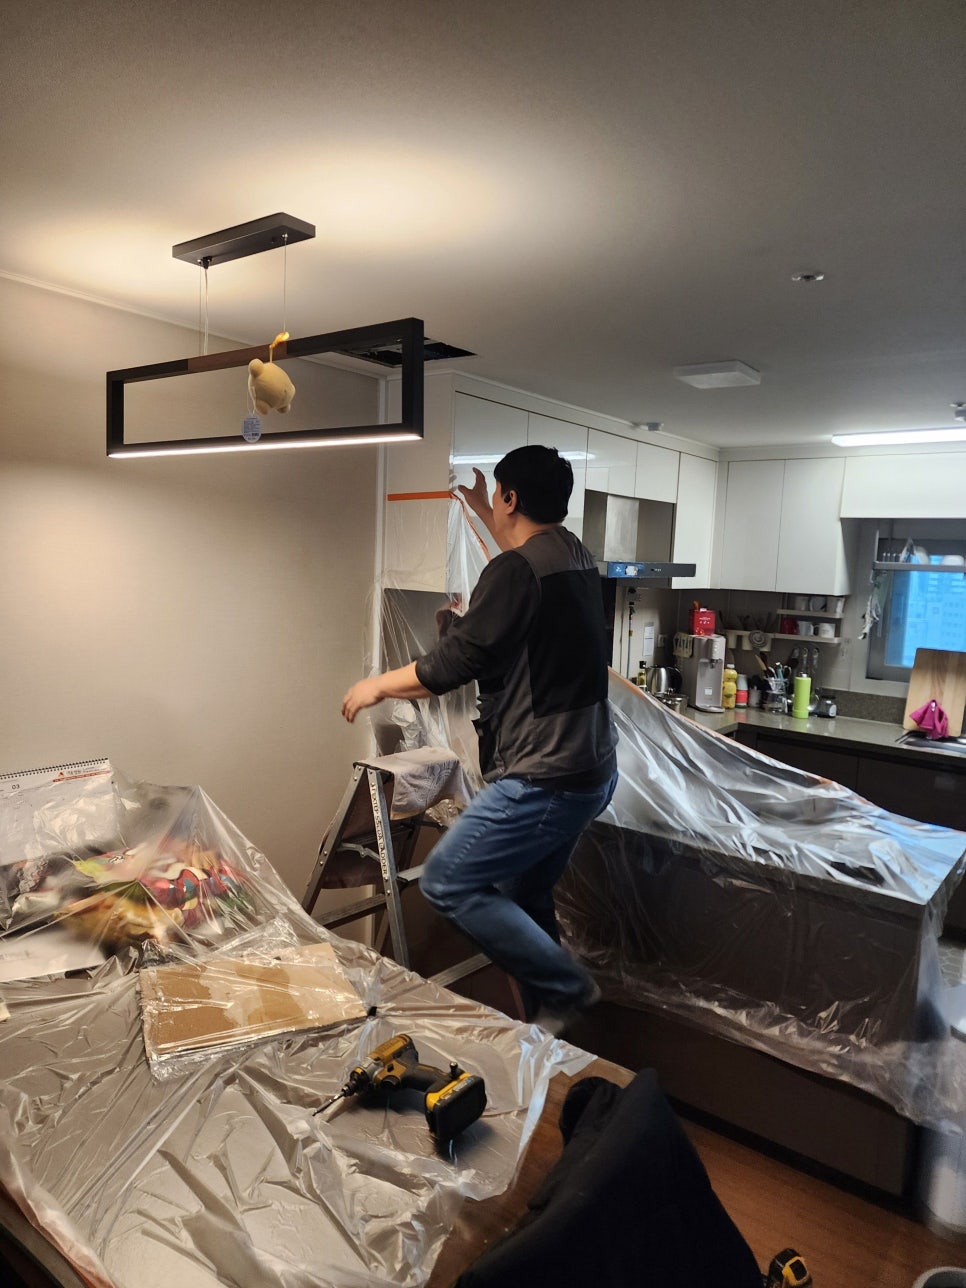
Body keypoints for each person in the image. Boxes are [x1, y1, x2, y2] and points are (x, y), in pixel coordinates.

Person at [341, 445, 618, 1032]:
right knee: (525, 893)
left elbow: (451, 668)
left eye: (496, 494)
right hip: (592, 770)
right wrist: (479, 509)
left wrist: (376, 684)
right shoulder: (574, 554)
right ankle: (548, 1026)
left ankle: (567, 988)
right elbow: (523, 572)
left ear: (511, 498)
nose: (493, 502)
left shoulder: (516, 571)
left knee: (448, 880)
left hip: (545, 776)